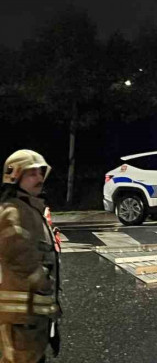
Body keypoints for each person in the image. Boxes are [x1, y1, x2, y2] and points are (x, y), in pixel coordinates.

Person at [0, 150, 61, 363]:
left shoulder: (30, 210)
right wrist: (41, 279)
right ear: (15, 176)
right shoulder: (12, 211)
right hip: (21, 316)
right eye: (31, 174)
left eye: (40, 172)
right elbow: (17, 255)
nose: (39, 178)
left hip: (33, 314)